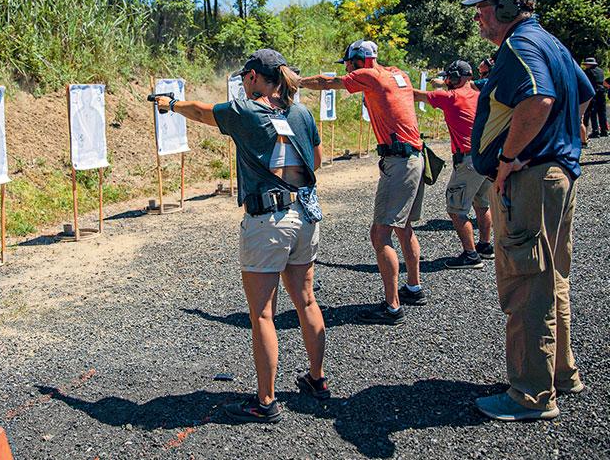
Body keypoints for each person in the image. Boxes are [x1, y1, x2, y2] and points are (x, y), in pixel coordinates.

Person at [154, 49, 327, 423]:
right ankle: (317, 379)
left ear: (252, 77)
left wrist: (171, 105)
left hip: (268, 221)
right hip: (305, 213)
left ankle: (265, 402)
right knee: (307, 301)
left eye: (245, 77)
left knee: (263, 314)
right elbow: (315, 159)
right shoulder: (300, 112)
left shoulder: (247, 111)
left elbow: (201, 111)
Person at [463, 0, 594, 421]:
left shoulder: (520, 46)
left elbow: (537, 99)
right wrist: (570, 136)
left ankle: (531, 392)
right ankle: (561, 373)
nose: (478, 17)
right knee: (553, 276)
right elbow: (584, 90)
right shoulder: (552, 42)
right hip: (555, 173)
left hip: (532, 178)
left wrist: (509, 157)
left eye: (484, 8)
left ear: (505, 9)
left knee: (527, 281)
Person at [300, 40, 426, 325]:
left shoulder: (369, 75)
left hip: (399, 161)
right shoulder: (398, 74)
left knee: (380, 234)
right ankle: (413, 288)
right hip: (414, 156)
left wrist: (296, 80)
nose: (346, 68)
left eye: (348, 62)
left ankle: (392, 307)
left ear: (360, 61)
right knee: (404, 227)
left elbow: (326, 82)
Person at [413, 60, 493, 269]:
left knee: (456, 209)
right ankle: (485, 245)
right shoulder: (478, 95)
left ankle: (470, 255)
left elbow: (413, 95)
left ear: (456, 77)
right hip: (486, 158)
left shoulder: (450, 97)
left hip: (468, 161)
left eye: (450, 77)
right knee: (482, 203)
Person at [581, 58, 607, 138]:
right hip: (602, 92)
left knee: (593, 112)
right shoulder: (600, 71)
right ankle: (604, 130)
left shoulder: (587, 72)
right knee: (602, 112)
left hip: (594, 92)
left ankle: (595, 131)